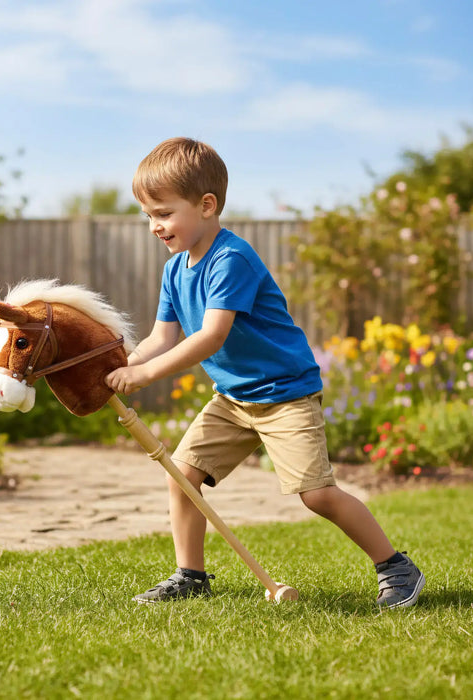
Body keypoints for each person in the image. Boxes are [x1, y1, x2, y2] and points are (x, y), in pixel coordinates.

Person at [105, 137, 425, 609]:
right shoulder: (175, 272)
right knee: (181, 474)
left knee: (316, 495)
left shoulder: (230, 260)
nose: (155, 226)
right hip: (233, 399)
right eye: (148, 216)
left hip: (285, 395)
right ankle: (190, 576)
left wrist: (145, 376)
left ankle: (396, 566)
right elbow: (160, 338)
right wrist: (118, 367)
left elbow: (211, 336)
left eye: (165, 213)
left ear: (207, 205)